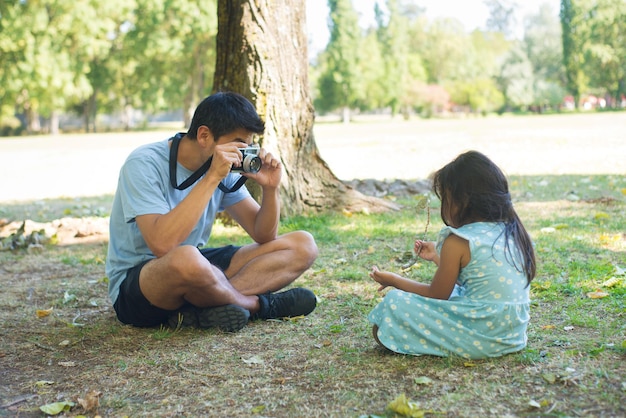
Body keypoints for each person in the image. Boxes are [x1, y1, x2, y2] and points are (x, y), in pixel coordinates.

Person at [105, 92, 318, 332]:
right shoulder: (144, 163)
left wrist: (270, 190)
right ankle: (258, 305)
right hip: (139, 284)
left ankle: (199, 310)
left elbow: (263, 235)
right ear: (204, 135)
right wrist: (212, 177)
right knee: (187, 259)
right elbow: (162, 245)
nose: (243, 152)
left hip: (195, 267)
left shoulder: (222, 169)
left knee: (303, 245)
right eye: (238, 143)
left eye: (248, 145)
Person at [368, 150, 536, 359]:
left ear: (462, 201)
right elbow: (479, 277)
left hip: (482, 334)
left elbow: (437, 294)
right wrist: (439, 258)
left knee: (392, 308)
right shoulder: (512, 231)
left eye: (445, 199)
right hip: (511, 336)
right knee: (459, 295)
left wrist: (394, 280)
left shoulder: (457, 240)